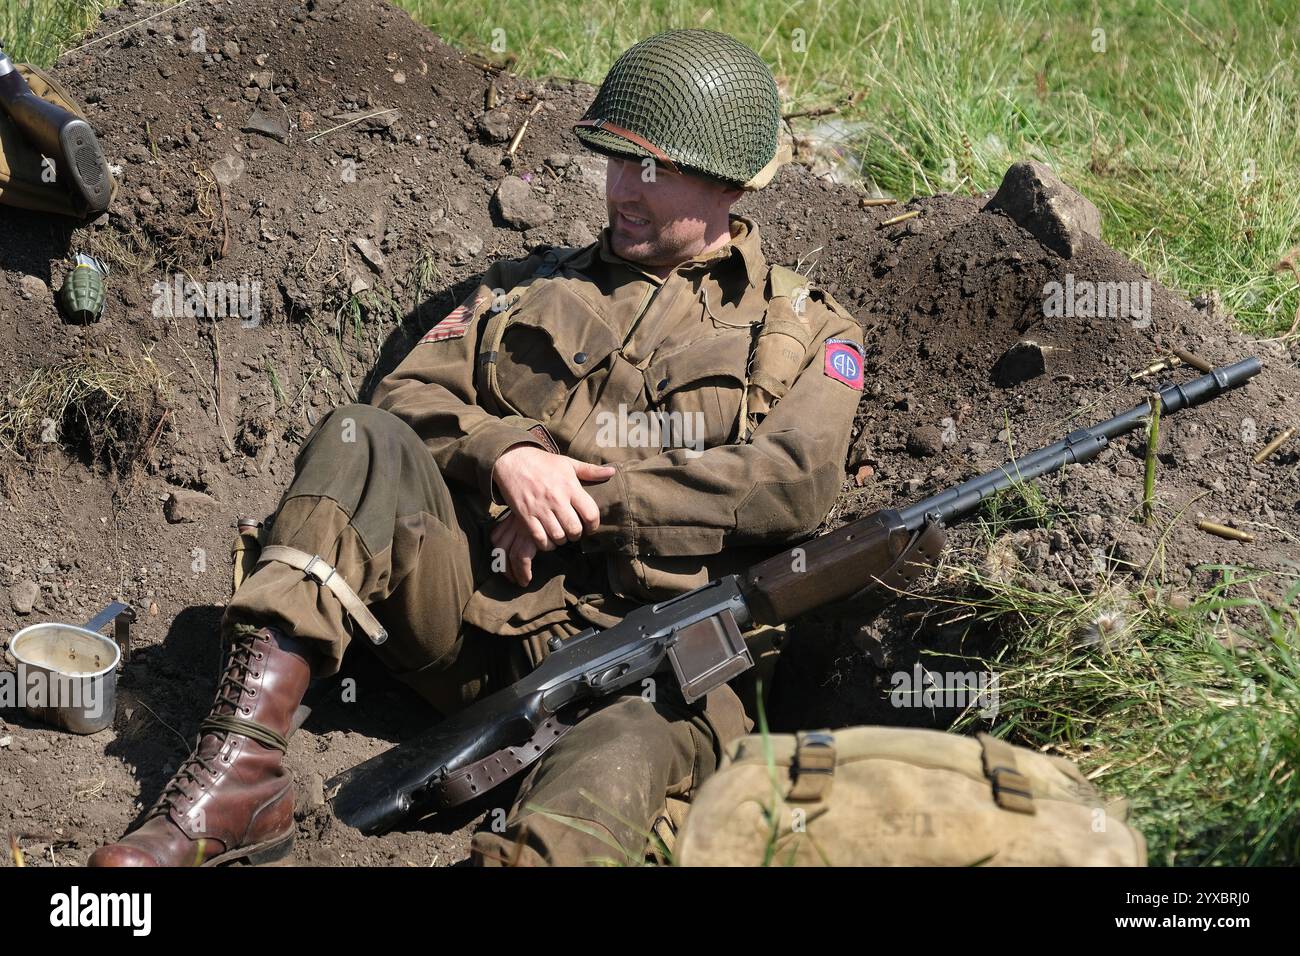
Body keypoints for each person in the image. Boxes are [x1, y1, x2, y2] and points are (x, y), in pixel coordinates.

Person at [89, 28, 865, 868]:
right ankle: (242, 779)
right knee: (362, 437)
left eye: (654, 170)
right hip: (463, 627)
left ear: (728, 180)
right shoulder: (522, 287)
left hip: (644, 666)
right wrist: (509, 456)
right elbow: (401, 395)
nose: (620, 191)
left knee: (618, 768)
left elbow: (795, 483)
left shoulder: (805, 332)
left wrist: (591, 504)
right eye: (611, 162)